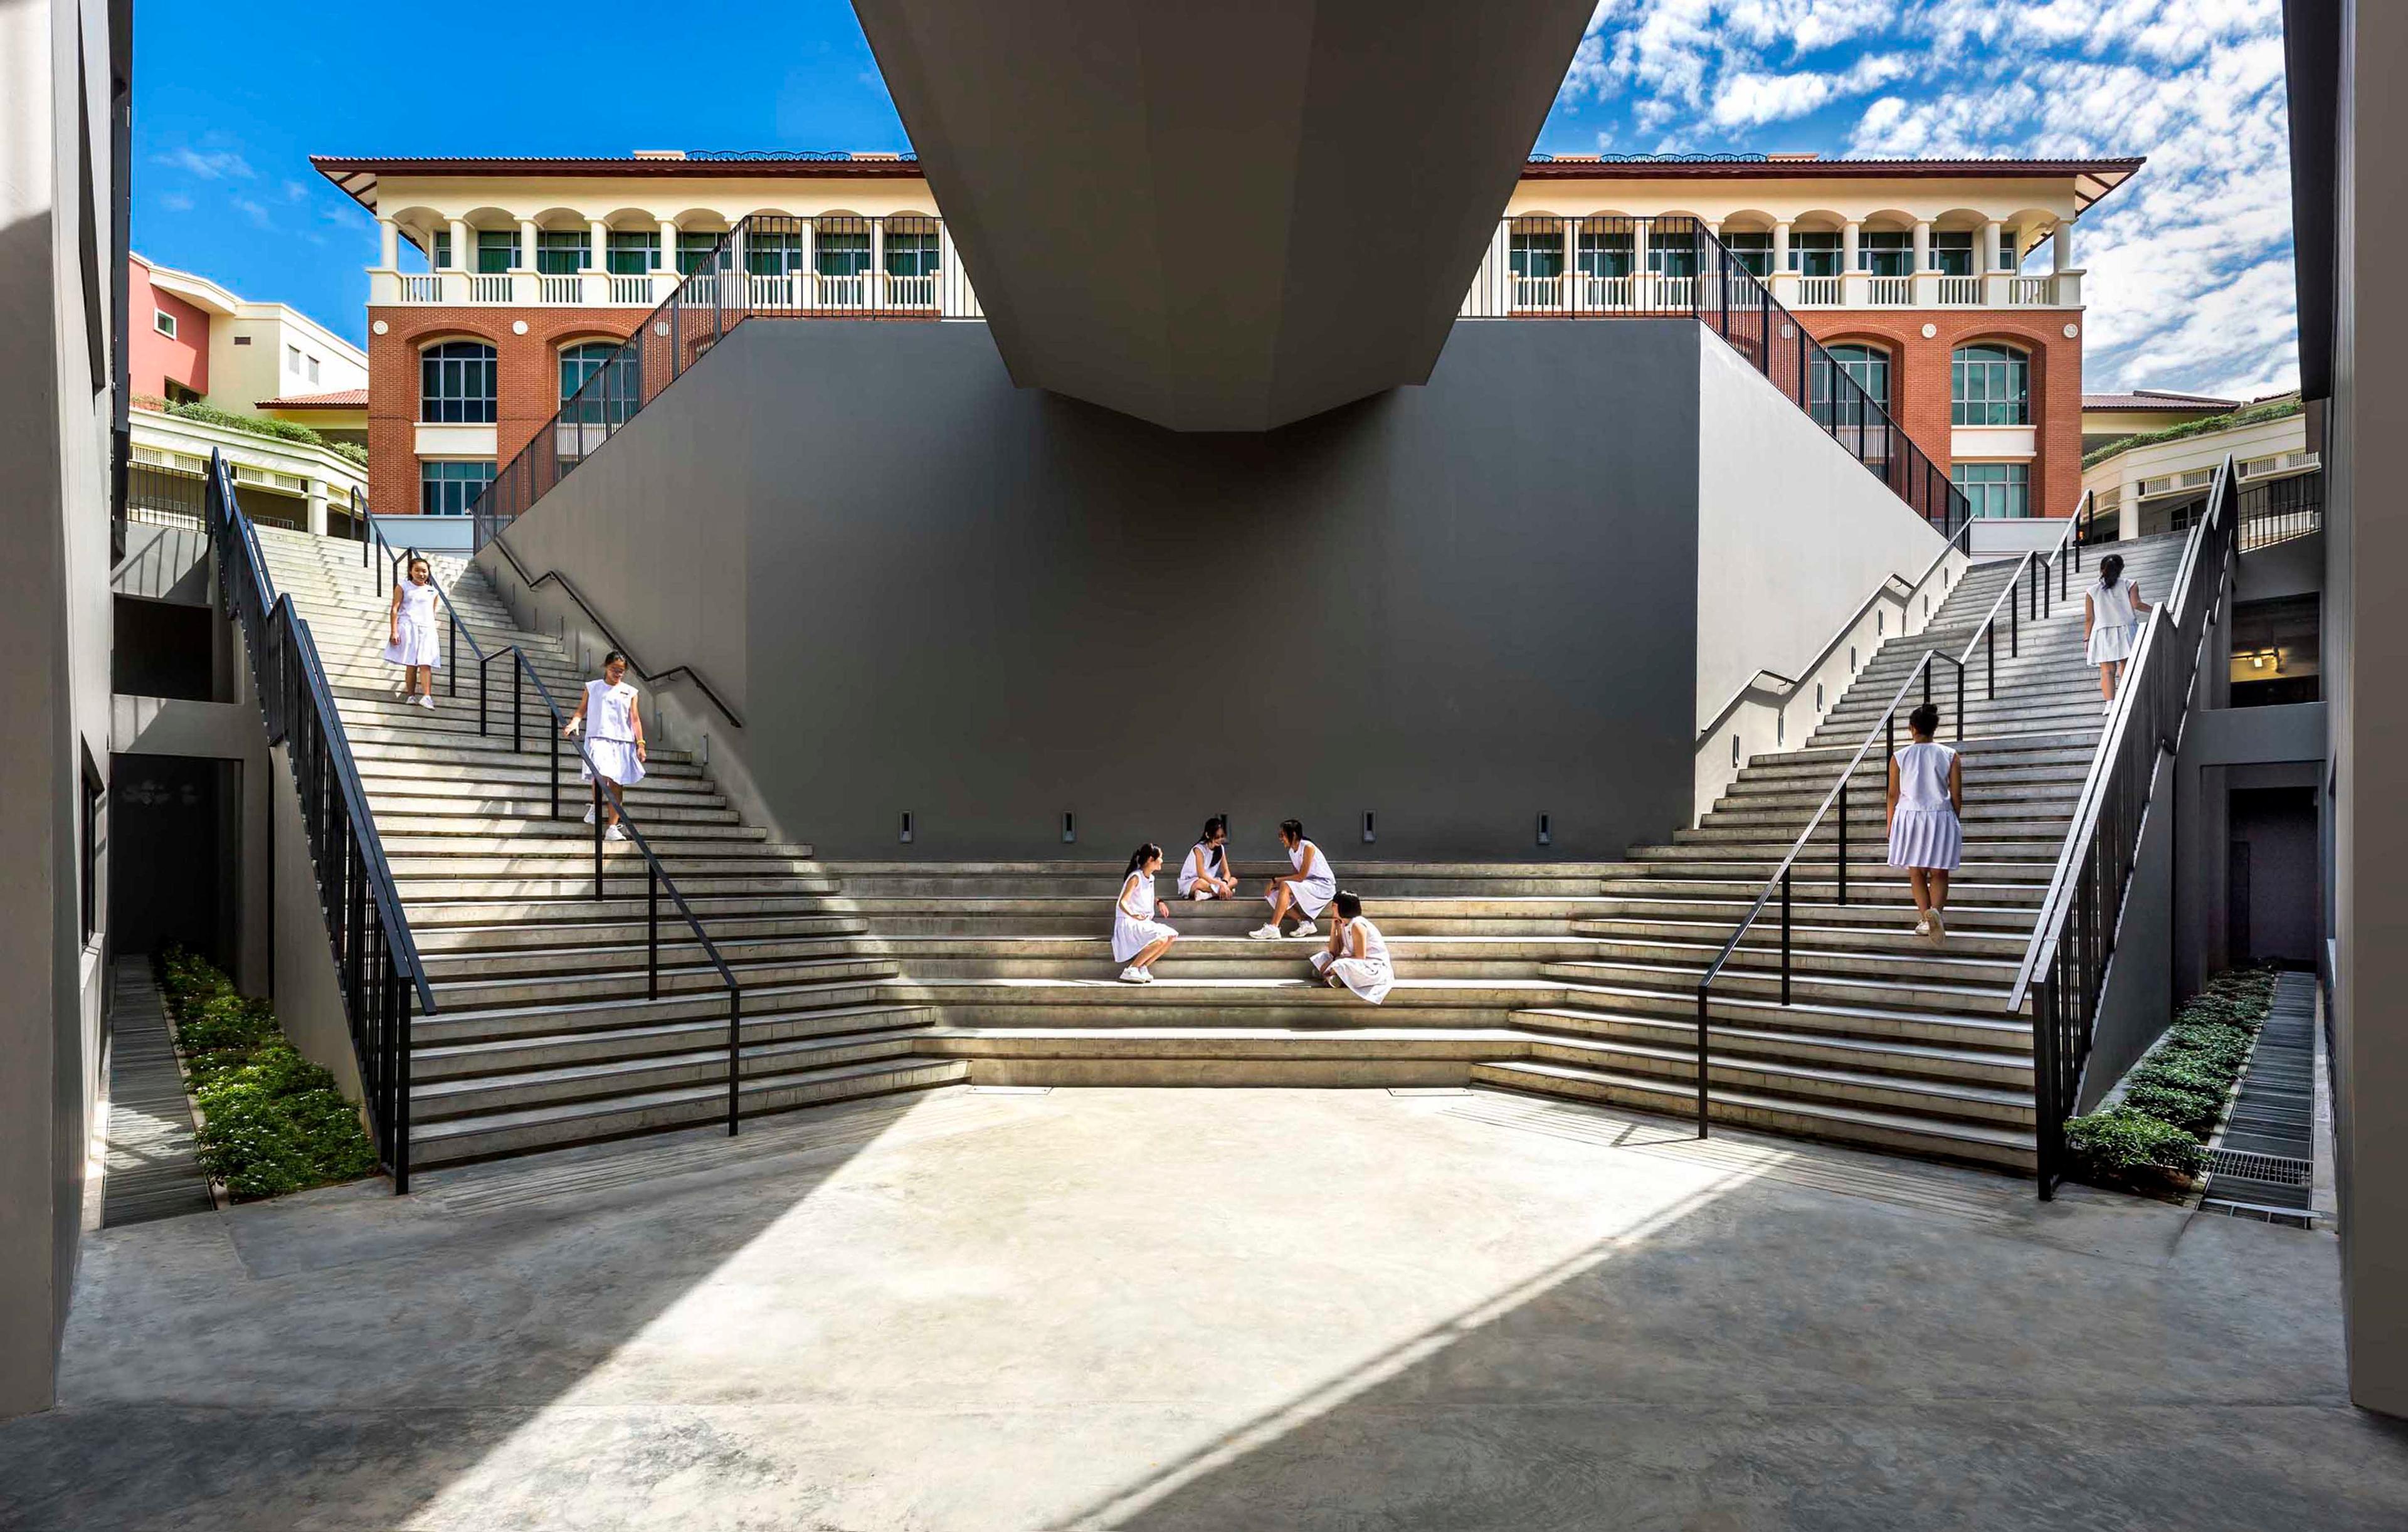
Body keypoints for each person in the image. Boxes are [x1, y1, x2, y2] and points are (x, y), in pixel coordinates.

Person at [1886, 701, 1963, 944]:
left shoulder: (1899, 757)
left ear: (1912, 729)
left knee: (1916, 871)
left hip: (1909, 816)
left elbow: (1892, 795)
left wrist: (1890, 824)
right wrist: (1953, 819)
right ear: (1934, 729)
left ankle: (1924, 919)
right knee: (1940, 872)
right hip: (1941, 814)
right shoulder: (1950, 755)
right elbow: (1957, 794)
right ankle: (1936, 914)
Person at [564, 651, 648, 844]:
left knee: (617, 782)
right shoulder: (593, 688)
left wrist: (640, 744)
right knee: (600, 776)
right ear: (606, 667)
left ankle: (612, 827)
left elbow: (634, 719)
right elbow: (581, 709)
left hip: (623, 741)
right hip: (599, 737)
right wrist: (575, 722)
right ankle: (596, 805)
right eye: (614, 670)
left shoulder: (631, 692)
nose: (618, 674)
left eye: (621, 671)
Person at [2084, 552, 2152, 712]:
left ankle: (2110, 705)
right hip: (2126, 629)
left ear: (2102, 569)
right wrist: (2157, 609)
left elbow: (2089, 618)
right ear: (2122, 568)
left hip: (2102, 632)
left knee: (2107, 671)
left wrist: (2087, 639)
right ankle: (2125, 699)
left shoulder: (2092, 591)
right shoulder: (2130, 584)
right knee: (2125, 666)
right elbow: (2137, 605)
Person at [1251, 818, 1336, 939]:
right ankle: (1305, 923)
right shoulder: (1292, 851)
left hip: (1323, 885)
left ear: (1294, 834)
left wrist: (1275, 881)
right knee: (1273, 894)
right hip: (1309, 883)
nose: (1281, 839)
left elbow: (1301, 876)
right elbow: (1296, 877)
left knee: (1284, 885)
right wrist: (1277, 886)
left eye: (1283, 835)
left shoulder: (1308, 847)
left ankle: (1273, 927)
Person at [1309, 890, 1394, 1004]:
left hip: (1373, 968)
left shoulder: (1357, 925)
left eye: (1334, 906)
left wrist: (1335, 961)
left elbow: (1360, 958)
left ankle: (1330, 975)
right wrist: (1334, 928)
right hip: (1358, 964)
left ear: (1343, 907)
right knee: (1323, 956)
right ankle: (1332, 975)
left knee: (1340, 963)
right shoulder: (1344, 923)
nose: (1332, 909)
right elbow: (1334, 952)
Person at [1112, 843, 1180, 983]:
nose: (1162, 860)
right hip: (1128, 922)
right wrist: (1133, 915)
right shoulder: (1135, 877)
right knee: (1161, 938)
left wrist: (1159, 901)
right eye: (1160, 857)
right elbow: (1122, 902)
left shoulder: (1150, 877)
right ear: (1151, 859)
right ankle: (1131, 969)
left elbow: (1143, 894)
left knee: (1171, 936)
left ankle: (1142, 967)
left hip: (1141, 921)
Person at [382, 555, 441, 709]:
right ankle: (411, 696)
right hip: (408, 627)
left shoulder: (433, 592)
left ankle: (427, 696)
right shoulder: (403, 586)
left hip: (427, 630)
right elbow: (395, 609)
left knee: (426, 662)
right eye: (417, 571)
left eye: (424, 571)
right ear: (411, 571)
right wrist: (394, 631)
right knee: (411, 663)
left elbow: (431, 613)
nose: (421, 574)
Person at [1179, 816, 1238, 900]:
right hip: (1193, 882)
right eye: (1217, 837)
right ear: (1208, 835)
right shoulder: (1199, 849)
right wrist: (1222, 885)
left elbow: (1226, 871)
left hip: (1211, 882)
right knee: (1201, 883)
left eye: (1222, 836)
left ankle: (1208, 895)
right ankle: (1224, 892)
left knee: (1234, 880)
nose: (1220, 839)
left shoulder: (1221, 848)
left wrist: (1224, 883)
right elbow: (1201, 875)